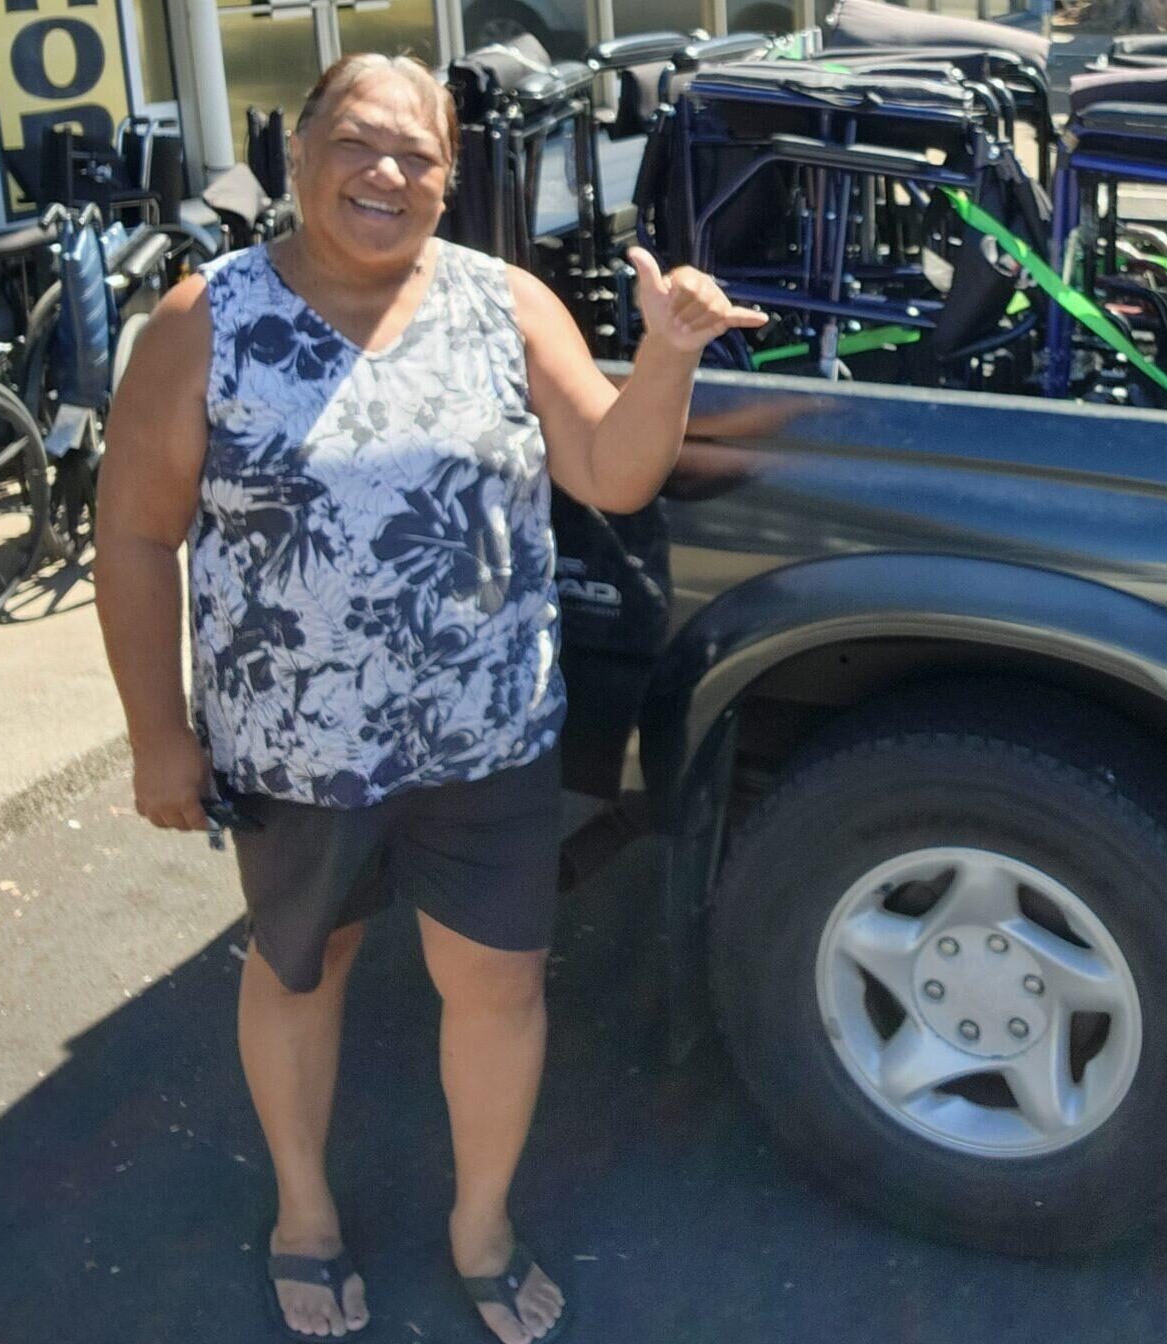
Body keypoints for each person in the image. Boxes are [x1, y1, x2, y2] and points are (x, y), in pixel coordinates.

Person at [94, 52, 761, 1344]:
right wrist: (156, 736)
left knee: (499, 989)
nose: (384, 171)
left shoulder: (505, 306)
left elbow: (614, 476)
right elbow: (133, 532)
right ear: (299, 156)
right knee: (300, 973)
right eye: (357, 141)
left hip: (484, 742)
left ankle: (482, 1225)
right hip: (293, 750)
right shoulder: (204, 320)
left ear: (451, 180)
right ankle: (303, 1212)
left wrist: (667, 357)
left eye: (416, 152)